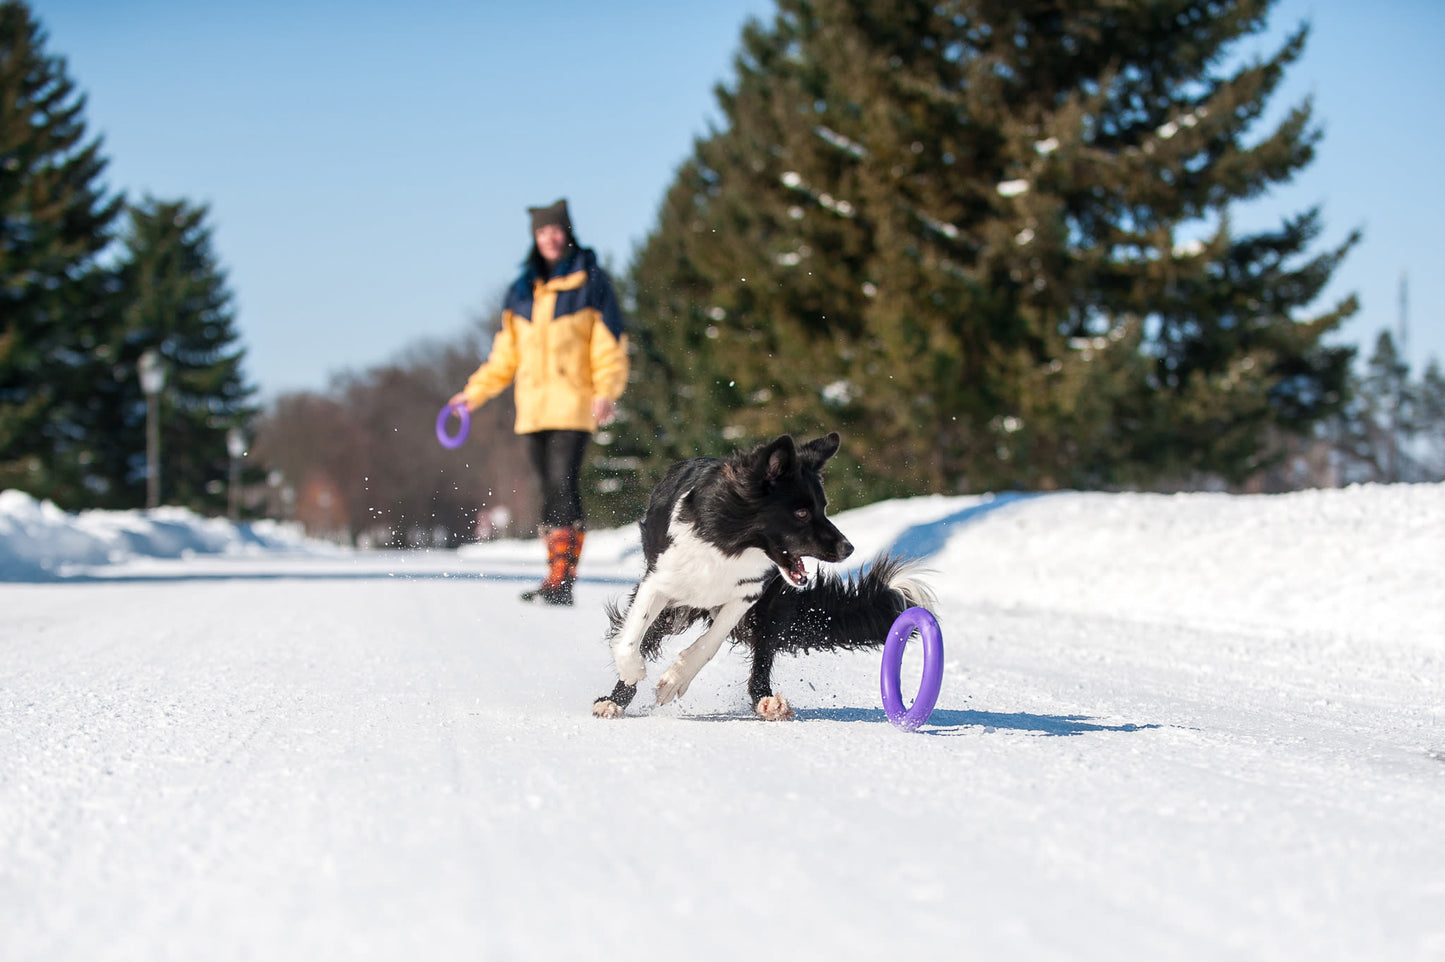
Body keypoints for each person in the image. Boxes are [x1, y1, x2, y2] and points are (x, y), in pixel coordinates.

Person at [449, 199, 629, 605]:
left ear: (568, 232)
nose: (550, 238)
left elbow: (609, 345)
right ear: (535, 237)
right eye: (543, 232)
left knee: (563, 483)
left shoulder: (590, 282)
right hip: (532, 410)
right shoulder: (521, 291)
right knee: (548, 489)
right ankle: (554, 575)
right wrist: (472, 394)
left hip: (574, 402)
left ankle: (563, 580)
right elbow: (504, 357)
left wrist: (606, 390)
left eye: (556, 230)